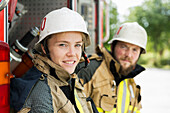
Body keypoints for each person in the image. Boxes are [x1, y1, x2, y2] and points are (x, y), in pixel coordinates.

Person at [10, 7, 97, 113]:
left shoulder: (71, 82)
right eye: (63, 45)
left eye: (77, 45)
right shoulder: (42, 98)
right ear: (44, 48)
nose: (72, 53)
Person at [76, 22, 147, 113]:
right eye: (124, 47)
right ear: (113, 46)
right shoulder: (89, 69)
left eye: (135, 50)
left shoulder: (131, 84)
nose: (128, 55)